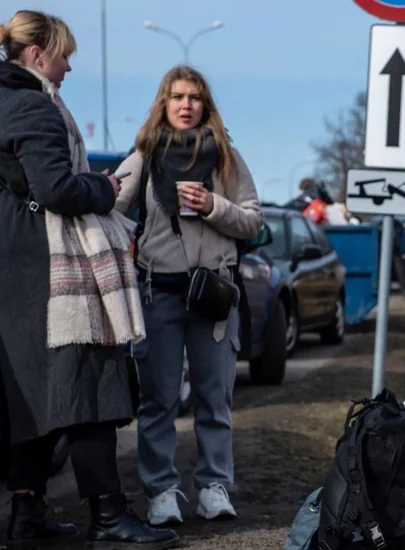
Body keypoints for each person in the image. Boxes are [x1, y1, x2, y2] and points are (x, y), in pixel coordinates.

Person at [0, 10, 178, 548]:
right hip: (53, 268)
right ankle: (108, 516)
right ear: (37, 55)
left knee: (33, 395)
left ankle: (26, 517)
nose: (69, 67)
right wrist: (101, 188)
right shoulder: (33, 105)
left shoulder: (6, 100)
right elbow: (54, 190)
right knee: (89, 388)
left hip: (17, 263)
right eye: (64, 55)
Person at [115, 65, 263, 526]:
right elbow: (112, 208)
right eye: (177, 97)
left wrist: (213, 206)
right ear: (164, 103)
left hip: (214, 297)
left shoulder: (226, 158)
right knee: (158, 400)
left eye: (194, 98)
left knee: (214, 399)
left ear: (206, 106)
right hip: (159, 293)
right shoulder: (144, 154)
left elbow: (253, 220)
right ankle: (162, 492)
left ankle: (214, 487)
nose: (185, 105)